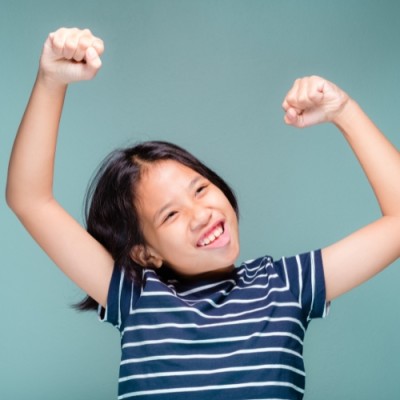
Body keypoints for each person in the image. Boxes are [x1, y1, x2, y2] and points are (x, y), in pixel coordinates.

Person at [6, 27, 400, 400]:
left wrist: (343, 111)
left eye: (200, 189)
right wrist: (50, 82)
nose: (200, 214)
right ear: (146, 253)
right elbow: (29, 199)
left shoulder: (285, 285)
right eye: (170, 215)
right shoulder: (136, 296)